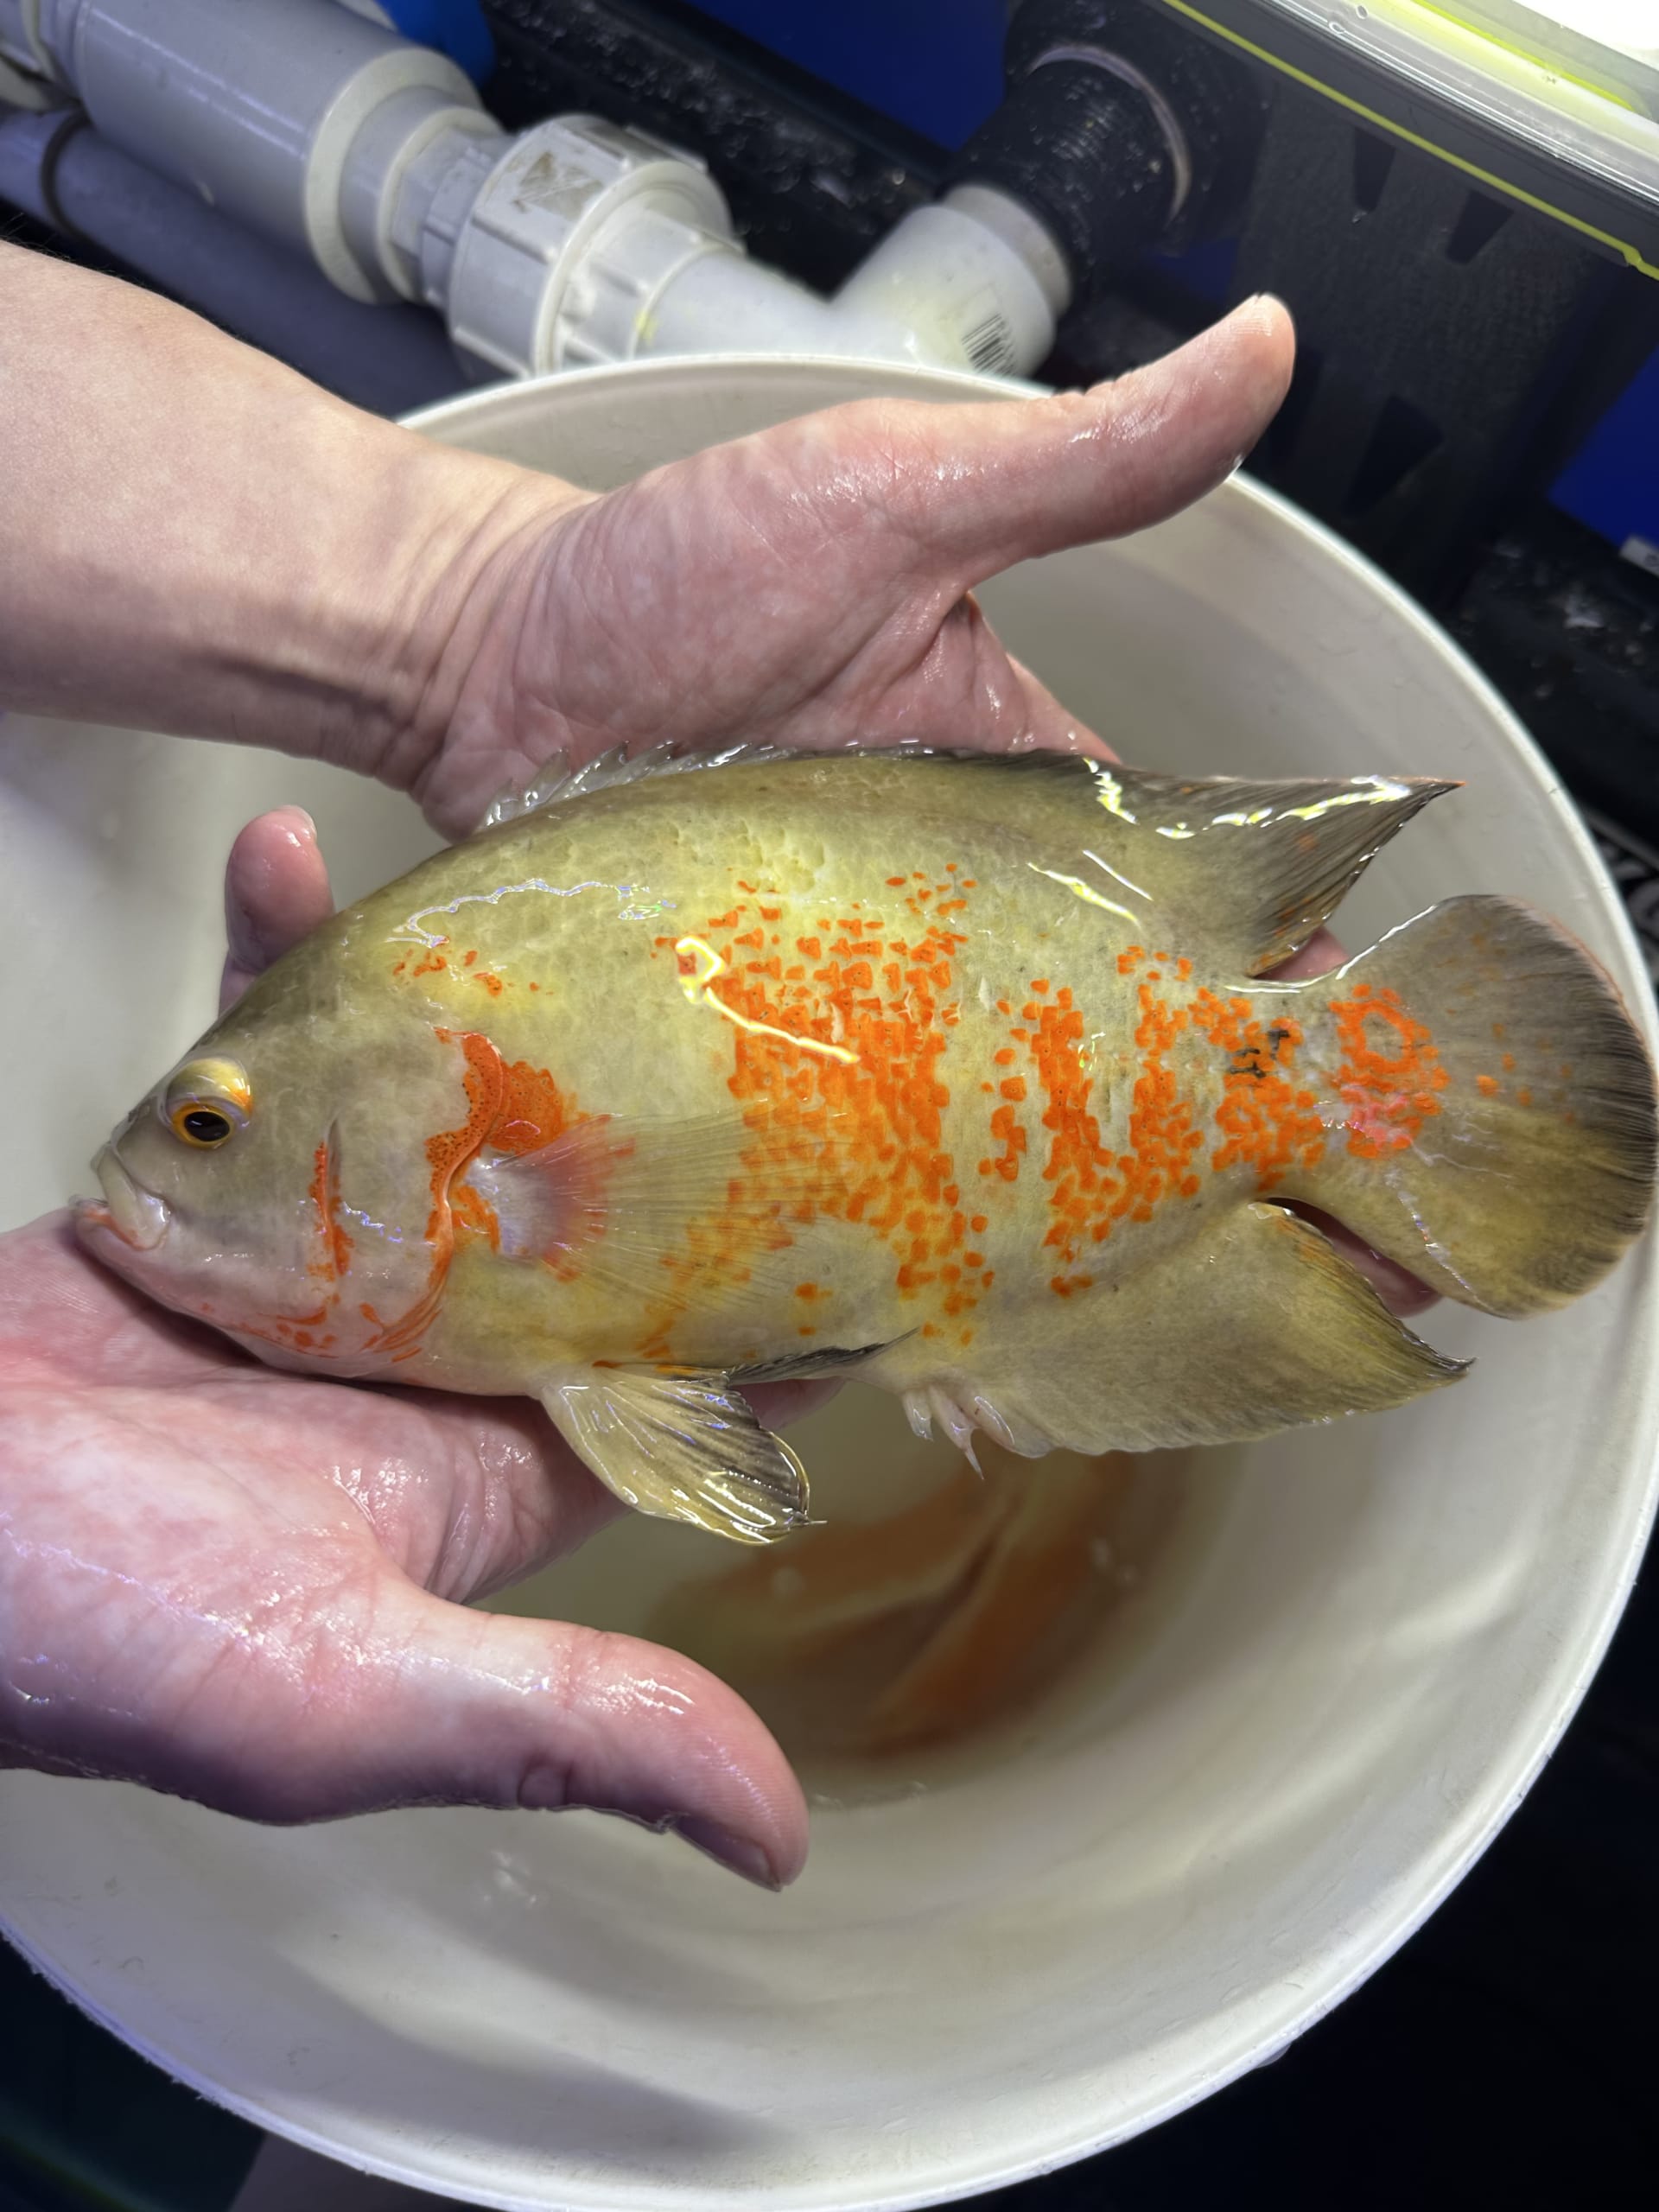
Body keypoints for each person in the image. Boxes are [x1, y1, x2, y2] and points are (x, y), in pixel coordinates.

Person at [0, 243, 1313, 1889]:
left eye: (211, 1124)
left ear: (466, 1154)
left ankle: (1301, 1107)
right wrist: (461, 613)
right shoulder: (423, 1107)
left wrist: (469, 617)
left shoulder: (456, 1113)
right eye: (198, 1124)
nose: (157, 1168)